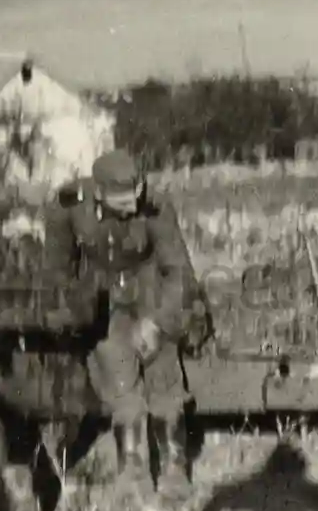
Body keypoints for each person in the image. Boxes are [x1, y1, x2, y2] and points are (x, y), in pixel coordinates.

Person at [46, 147, 207, 492]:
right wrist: (73, 312)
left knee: (163, 376)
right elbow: (57, 271)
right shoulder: (68, 206)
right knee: (120, 383)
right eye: (123, 203)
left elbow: (180, 274)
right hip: (102, 299)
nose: (133, 207)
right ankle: (132, 472)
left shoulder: (155, 206)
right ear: (99, 193)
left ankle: (174, 468)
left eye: (135, 197)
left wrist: (158, 321)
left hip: (151, 290)